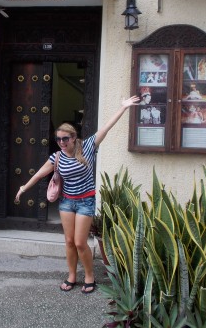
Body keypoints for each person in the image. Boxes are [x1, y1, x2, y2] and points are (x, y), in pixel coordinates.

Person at [15, 95, 140, 294]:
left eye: (65, 138)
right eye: (58, 139)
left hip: (85, 201)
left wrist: (123, 107)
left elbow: (106, 127)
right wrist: (23, 188)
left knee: (81, 242)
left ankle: (89, 276)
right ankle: (72, 275)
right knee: (69, 241)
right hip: (67, 203)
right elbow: (39, 174)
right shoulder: (56, 157)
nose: (61, 142)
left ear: (74, 137)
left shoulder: (88, 147)